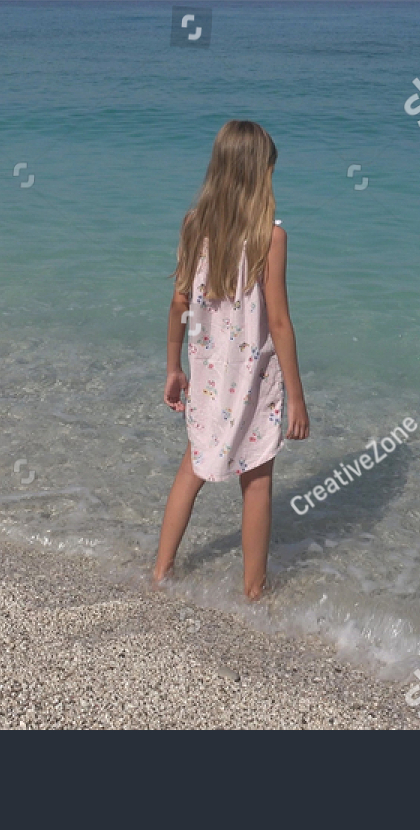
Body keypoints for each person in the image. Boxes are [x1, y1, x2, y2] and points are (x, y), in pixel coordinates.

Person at [152, 120, 310, 600]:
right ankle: (254, 592)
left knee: (193, 468)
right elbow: (279, 323)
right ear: (259, 174)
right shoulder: (270, 238)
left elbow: (179, 304)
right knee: (257, 480)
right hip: (253, 378)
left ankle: (160, 572)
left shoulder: (194, 223)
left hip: (205, 373)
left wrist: (173, 367)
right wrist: (298, 398)